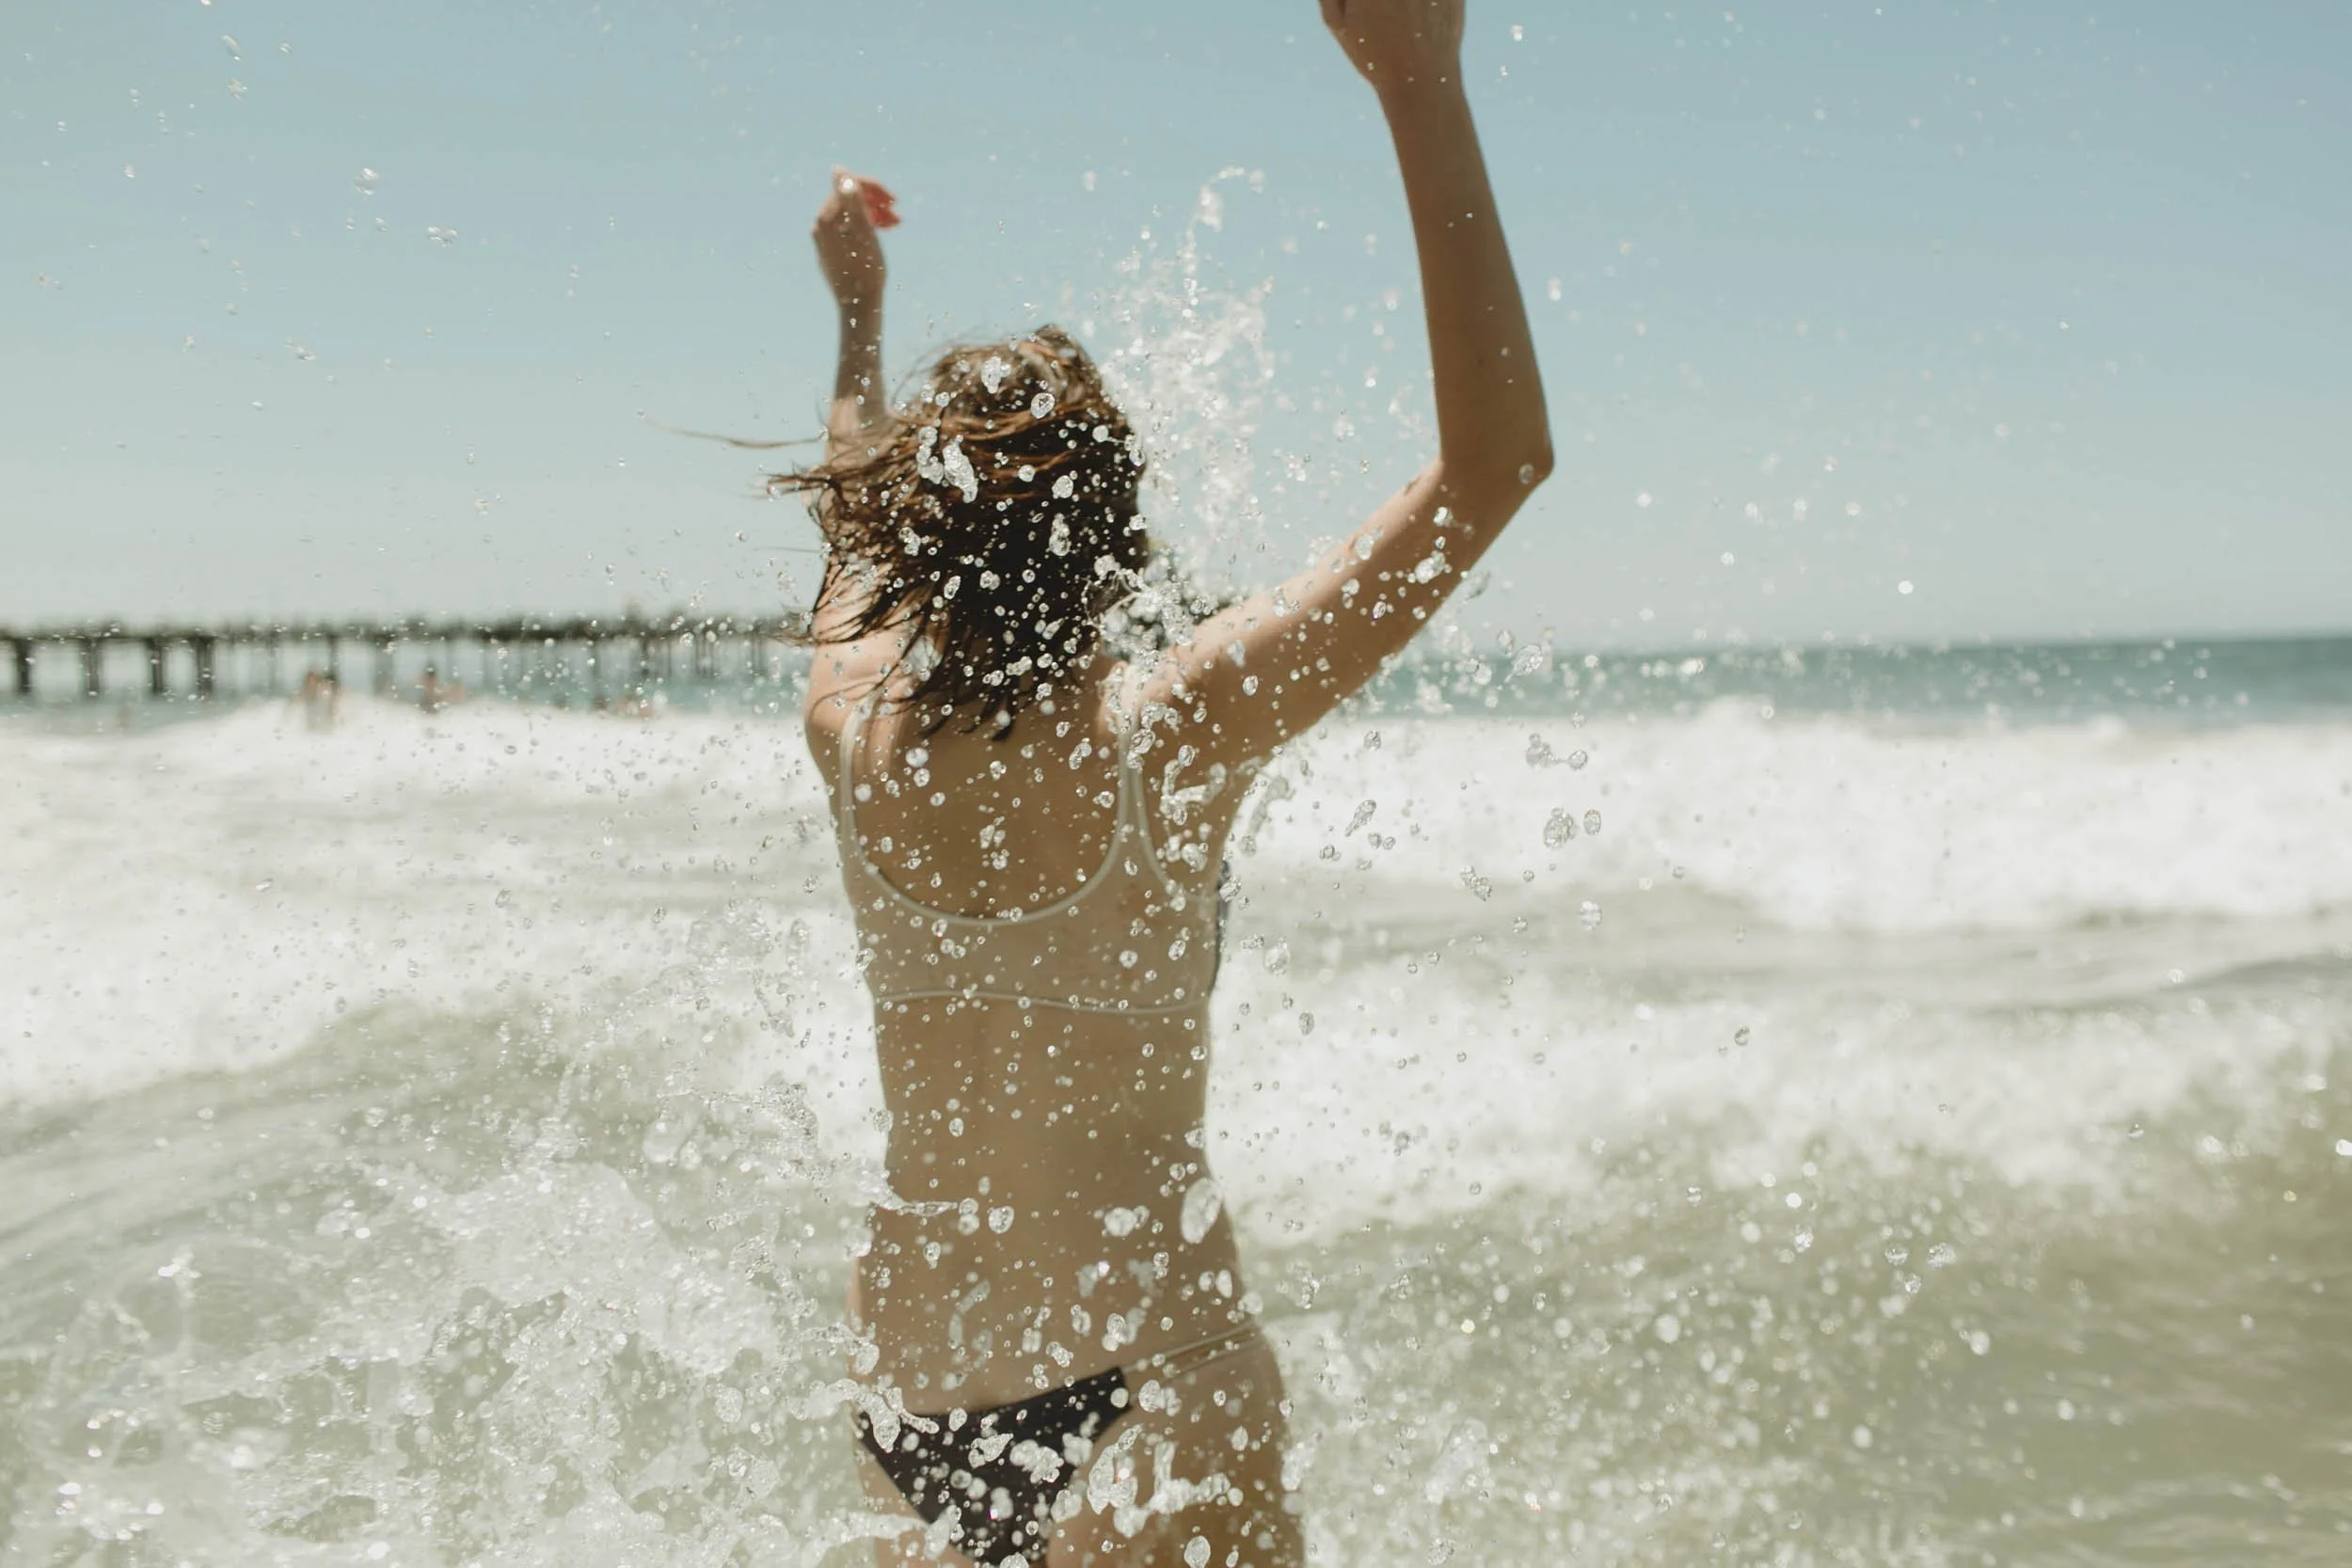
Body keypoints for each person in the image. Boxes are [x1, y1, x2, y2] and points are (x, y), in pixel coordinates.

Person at [778, 4, 1549, 1561]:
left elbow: (859, 509)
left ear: (918, 534)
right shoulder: (1174, 725)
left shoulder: (848, 706)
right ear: (1118, 531)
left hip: (907, 1389)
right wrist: (1420, 83)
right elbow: (1492, 471)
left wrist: (860, 313)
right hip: (1147, 1383)